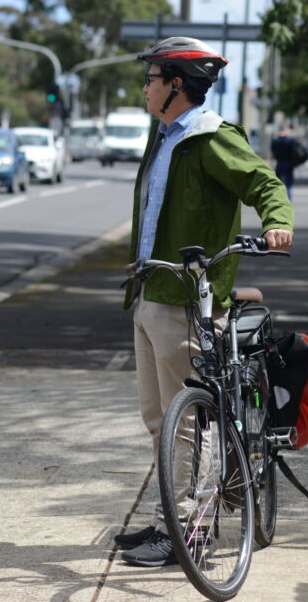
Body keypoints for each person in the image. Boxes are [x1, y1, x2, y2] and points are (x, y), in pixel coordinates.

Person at [117, 37, 294, 567]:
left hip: (185, 302)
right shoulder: (165, 136)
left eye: (151, 78)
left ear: (176, 85)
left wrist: (278, 222)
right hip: (150, 290)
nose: (145, 87)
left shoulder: (210, 138)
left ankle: (189, 530)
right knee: (159, 419)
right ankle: (166, 518)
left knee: (186, 420)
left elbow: (263, 181)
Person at [270, 126, 307, 199]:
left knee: (278, 182)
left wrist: (272, 165)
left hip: (279, 163)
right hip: (289, 164)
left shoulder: (275, 141)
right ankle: (289, 199)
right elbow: (298, 151)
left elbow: (272, 154)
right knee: (289, 183)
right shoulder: (291, 140)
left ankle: (279, 199)